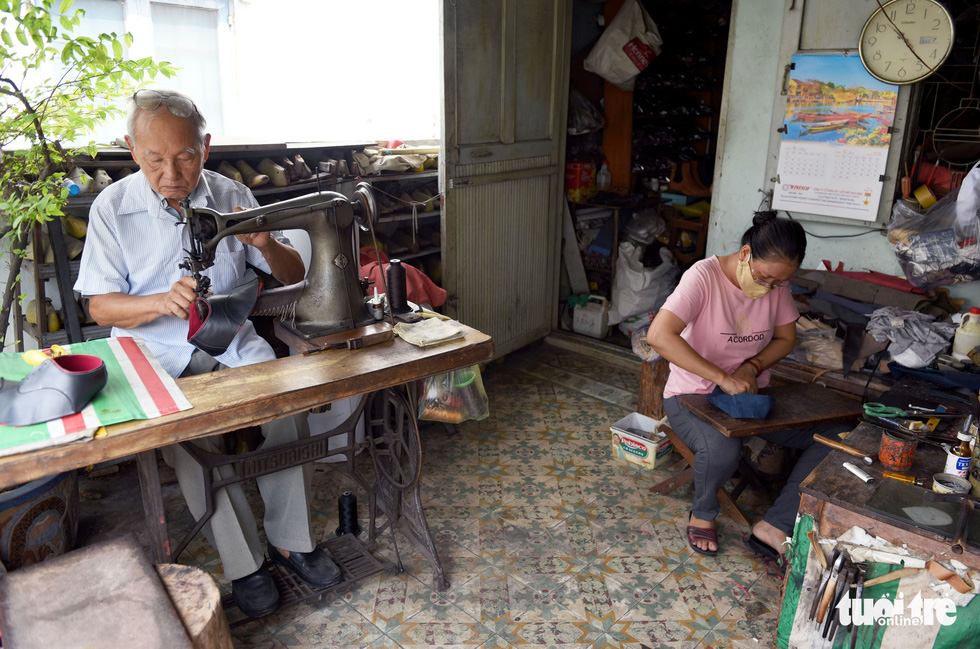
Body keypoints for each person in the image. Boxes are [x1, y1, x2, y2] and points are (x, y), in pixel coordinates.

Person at [74, 89, 340, 618]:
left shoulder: (231, 193)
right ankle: (247, 566)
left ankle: (292, 542)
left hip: (232, 339)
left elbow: (294, 278)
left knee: (288, 408)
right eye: (154, 159)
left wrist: (266, 245)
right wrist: (157, 301)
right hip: (156, 350)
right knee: (192, 443)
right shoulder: (113, 207)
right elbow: (100, 307)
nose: (171, 173)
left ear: (206, 146)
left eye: (186, 156)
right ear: (132, 149)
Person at [646, 212, 846, 559]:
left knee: (839, 437)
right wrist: (723, 377)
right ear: (745, 253)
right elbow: (659, 336)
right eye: (765, 278)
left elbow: (785, 337)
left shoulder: (776, 284)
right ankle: (703, 512)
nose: (770, 289)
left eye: (780, 283)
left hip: (752, 398)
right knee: (724, 449)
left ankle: (776, 525)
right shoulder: (703, 277)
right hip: (692, 396)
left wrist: (751, 367)